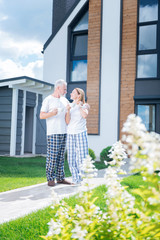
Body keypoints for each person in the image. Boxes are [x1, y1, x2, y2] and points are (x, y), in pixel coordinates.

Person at [40, 79, 71, 187]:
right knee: (52, 156)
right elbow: (42, 115)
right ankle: (50, 179)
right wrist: (52, 113)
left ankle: (60, 178)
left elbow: (67, 121)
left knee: (61, 157)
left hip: (63, 131)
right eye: (64, 89)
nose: (66, 91)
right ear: (58, 88)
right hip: (53, 132)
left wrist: (68, 111)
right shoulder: (48, 100)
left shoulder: (65, 101)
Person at [65, 88, 90, 186]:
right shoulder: (70, 106)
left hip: (81, 133)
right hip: (70, 133)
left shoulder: (85, 105)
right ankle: (75, 179)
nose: (71, 94)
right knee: (71, 158)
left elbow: (84, 115)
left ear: (79, 95)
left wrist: (80, 106)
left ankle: (83, 179)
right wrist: (68, 111)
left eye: (73, 93)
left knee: (82, 158)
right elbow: (67, 121)